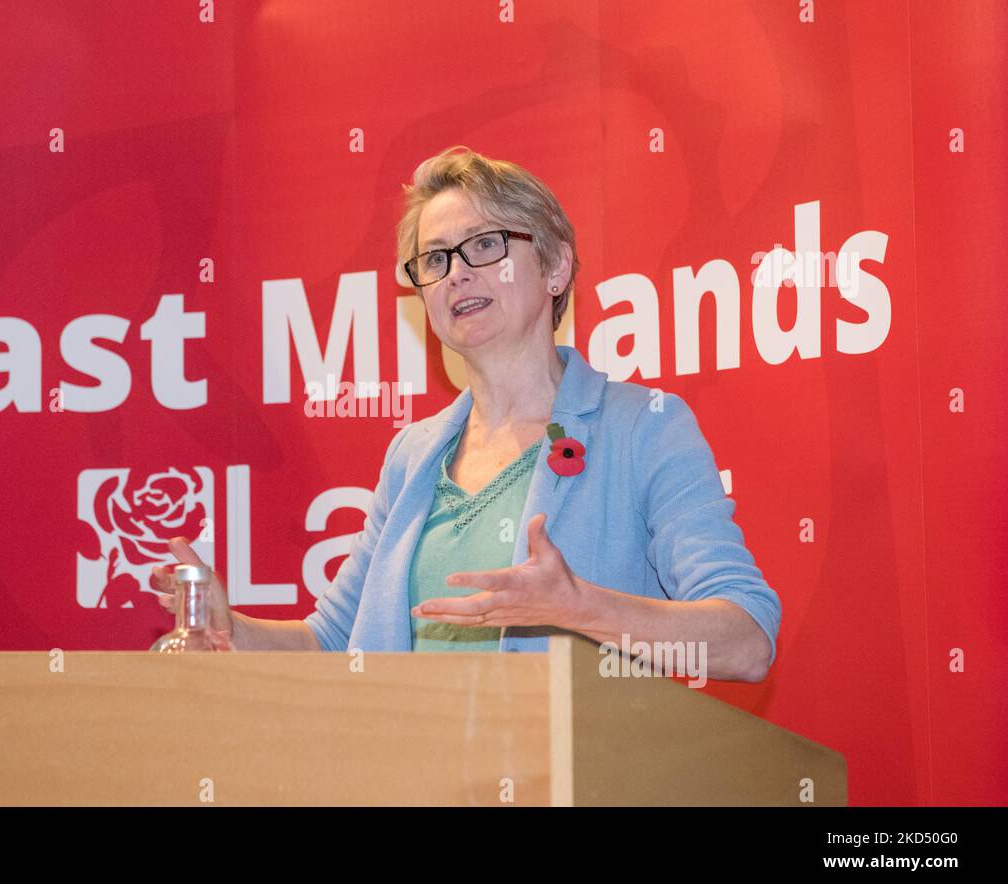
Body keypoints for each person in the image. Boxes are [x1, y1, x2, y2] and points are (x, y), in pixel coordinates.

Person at [153, 146, 780, 682]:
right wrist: (225, 626)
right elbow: (333, 642)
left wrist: (577, 605)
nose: (456, 274)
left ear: (556, 265)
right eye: (435, 259)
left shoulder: (643, 425)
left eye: (484, 244)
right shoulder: (413, 453)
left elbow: (745, 643)